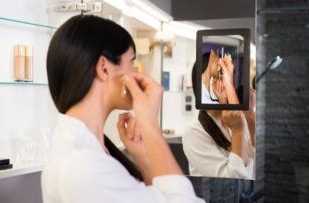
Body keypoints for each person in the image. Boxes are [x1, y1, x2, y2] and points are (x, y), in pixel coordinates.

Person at [41, 15, 203, 203]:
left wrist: (143, 155)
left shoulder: (89, 151)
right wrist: (150, 125)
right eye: (132, 63)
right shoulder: (82, 165)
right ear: (104, 68)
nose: (138, 73)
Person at [182, 54, 255, 179]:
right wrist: (238, 131)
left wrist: (250, 117)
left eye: (227, 77)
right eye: (216, 77)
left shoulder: (237, 120)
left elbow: (255, 170)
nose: (225, 84)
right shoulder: (193, 132)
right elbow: (231, 182)